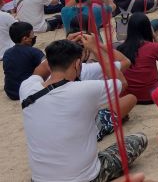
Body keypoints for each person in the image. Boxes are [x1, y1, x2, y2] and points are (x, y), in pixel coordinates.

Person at [20, 38, 148, 182]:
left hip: (39, 179)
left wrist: (62, 45)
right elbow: (121, 83)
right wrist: (95, 47)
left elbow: (39, 71)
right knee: (139, 139)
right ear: (77, 63)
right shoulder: (85, 90)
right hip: (86, 178)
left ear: (49, 64)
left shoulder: (26, 88)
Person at [118, 12, 158, 104]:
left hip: (129, 95)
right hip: (151, 95)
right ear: (147, 29)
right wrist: (154, 35)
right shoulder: (153, 47)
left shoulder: (121, 48)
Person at [3, 22, 42, 100]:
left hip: (11, 92)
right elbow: (49, 67)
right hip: (27, 92)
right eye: (32, 34)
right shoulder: (34, 52)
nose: (34, 36)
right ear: (25, 39)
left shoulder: (7, 53)